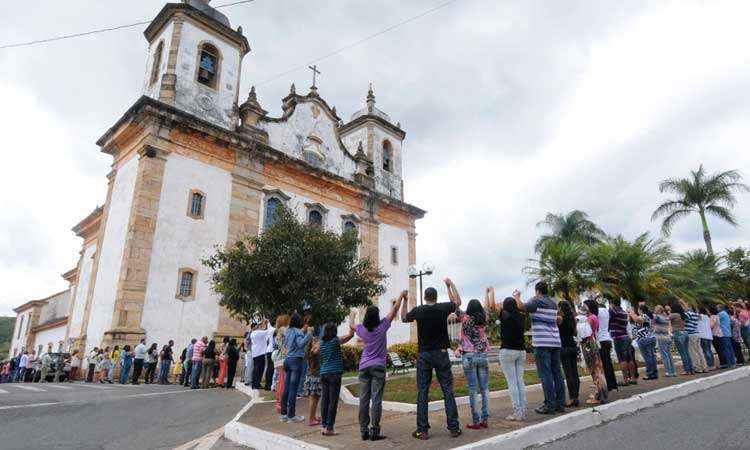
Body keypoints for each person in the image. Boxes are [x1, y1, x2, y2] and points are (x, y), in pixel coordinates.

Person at [401, 279, 462, 440]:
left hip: (424, 355)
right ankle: (454, 427)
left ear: (425, 297)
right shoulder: (443, 308)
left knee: (423, 391)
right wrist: (450, 285)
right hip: (441, 353)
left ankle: (422, 430)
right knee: (447, 389)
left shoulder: (419, 310)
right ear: (435, 297)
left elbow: (403, 318)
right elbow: (457, 302)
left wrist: (405, 300)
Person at [354, 292, 406, 441]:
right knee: (376, 399)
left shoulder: (362, 330)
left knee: (363, 399)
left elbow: (352, 325)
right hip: (378, 367)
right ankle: (374, 431)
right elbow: (394, 311)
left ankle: (363, 431)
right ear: (377, 317)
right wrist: (401, 296)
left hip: (364, 367)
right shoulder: (382, 326)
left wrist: (352, 315)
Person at [514, 282, 566, 415]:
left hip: (542, 343)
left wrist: (517, 296)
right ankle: (560, 404)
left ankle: (549, 405)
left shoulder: (536, 300)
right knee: (557, 373)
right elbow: (559, 319)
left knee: (546, 375)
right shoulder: (553, 303)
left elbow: (521, 306)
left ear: (537, 291)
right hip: (555, 342)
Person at [451, 282, 491, 430]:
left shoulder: (465, 319)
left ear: (468, 308)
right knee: (485, 389)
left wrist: (451, 285)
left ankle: (476, 421)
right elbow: (487, 306)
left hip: (469, 356)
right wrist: (487, 292)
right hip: (482, 356)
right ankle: (485, 419)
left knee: (473, 389)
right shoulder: (484, 319)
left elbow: (455, 304)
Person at [319, 317, 356, 436]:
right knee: (333, 402)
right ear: (334, 331)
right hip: (334, 374)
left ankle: (324, 425)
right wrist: (352, 319)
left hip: (324, 373)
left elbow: (315, 351)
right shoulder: (335, 341)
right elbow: (350, 335)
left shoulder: (322, 343)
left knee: (325, 400)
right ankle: (330, 428)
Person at [498, 295, 528, 420]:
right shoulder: (521, 316)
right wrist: (518, 298)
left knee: (512, 383)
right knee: (520, 381)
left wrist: (491, 291)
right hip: (521, 351)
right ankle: (523, 410)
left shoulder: (505, 315)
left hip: (507, 350)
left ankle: (517, 411)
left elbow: (493, 306)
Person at [280, 313, 313, 423]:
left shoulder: (288, 331)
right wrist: (309, 335)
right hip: (296, 361)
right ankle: (292, 415)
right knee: (293, 389)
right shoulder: (298, 331)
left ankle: (284, 414)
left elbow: (285, 344)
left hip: (288, 360)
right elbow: (300, 344)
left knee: (286, 388)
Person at [578, 302, 607, 404]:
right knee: (598, 369)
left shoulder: (590, 318)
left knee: (594, 370)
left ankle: (600, 395)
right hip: (592, 342)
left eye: (584, 305)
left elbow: (585, 332)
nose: (582, 307)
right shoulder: (594, 317)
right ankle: (601, 393)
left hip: (588, 344)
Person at [558, 300, 580, 407]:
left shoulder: (560, 319)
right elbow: (575, 332)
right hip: (572, 346)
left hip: (564, 347)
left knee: (569, 374)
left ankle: (572, 398)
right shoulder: (573, 319)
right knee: (575, 372)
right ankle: (576, 397)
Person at [609, 298, 636, 385]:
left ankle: (625, 380)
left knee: (622, 359)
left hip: (619, 338)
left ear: (613, 304)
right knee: (630, 358)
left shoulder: (615, 312)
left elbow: (609, 316)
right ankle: (633, 378)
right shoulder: (623, 312)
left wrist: (610, 307)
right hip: (626, 337)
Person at [628, 302, 658, 381]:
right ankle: (654, 373)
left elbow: (638, 320)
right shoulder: (650, 317)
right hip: (650, 338)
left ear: (641, 310)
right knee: (652, 356)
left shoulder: (644, 315)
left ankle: (650, 374)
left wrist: (631, 313)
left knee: (648, 357)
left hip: (644, 338)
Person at [593, 299, 618, 391]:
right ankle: (613, 383)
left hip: (600, 339)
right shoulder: (606, 312)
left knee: (603, 364)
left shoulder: (596, 313)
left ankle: (608, 383)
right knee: (608, 363)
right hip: (607, 338)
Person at [682, 300, 707, 373]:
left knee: (693, 352)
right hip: (696, 333)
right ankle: (704, 366)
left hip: (691, 334)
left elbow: (683, 317)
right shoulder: (696, 314)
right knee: (700, 351)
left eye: (685, 306)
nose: (684, 307)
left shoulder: (689, 314)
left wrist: (683, 305)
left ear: (689, 307)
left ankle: (697, 367)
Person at [669, 302, 694, 375]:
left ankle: (686, 370)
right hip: (685, 332)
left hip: (678, 333)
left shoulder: (674, 315)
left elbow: (665, 319)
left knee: (682, 353)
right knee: (686, 352)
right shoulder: (683, 315)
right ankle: (691, 369)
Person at [304, 335, 322, 427]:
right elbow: (316, 350)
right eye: (315, 342)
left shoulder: (313, 351)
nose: (317, 343)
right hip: (314, 377)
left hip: (314, 377)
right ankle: (311, 419)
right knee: (313, 399)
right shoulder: (313, 352)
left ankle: (313, 417)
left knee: (316, 398)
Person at [273, 315, 290, 412]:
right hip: (284, 358)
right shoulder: (283, 330)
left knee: (281, 381)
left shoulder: (278, 332)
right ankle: (281, 404)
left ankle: (279, 403)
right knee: (283, 381)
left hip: (279, 359)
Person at [653, 305, 676, 377]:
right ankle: (673, 371)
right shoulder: (666, 317)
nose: (654, 310)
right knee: (669, 355)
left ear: (658, 310)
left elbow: (652, 319)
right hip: (668, 337)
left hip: (662, 338)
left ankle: (668, 372)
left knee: (665, 355)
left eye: (655, 309)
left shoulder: (657, 317)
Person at [251, 320, 272, 389]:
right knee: (259, 370)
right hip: (260, 353)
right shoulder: (259, 333)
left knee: (256, 369)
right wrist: (267, 323)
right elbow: (268, 331)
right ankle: (256, 384)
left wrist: (262, 325)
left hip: (255, 353)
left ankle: (255, 384)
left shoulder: (253, 333)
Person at [717, 304, 736, 369]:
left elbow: (715, 319)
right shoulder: (726, 313)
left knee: (726, 349)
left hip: (724, 333)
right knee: (730, 348)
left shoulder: (721, 314)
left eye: (717, 308)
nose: (716, 309)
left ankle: (729, 363)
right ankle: (733, 362)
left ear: (720, 308)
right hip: (728, 332)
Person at [264, 322, 276, 391]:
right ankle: (269, 384)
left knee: (269, 368)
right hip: (271, 350)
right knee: (271, 368)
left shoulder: (267, 330)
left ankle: (267, 384)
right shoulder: (273, 329)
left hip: (268, 350)